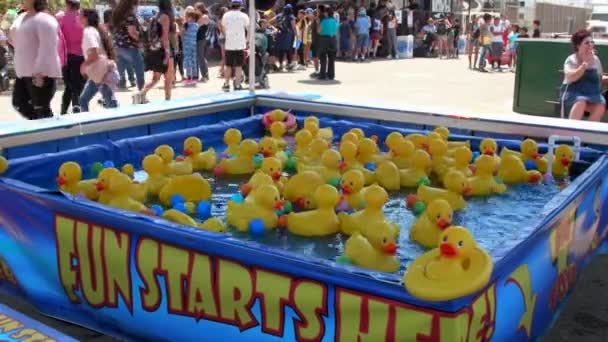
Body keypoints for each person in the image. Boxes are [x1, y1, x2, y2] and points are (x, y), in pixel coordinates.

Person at [10, 0, 62, 120]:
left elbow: (48, 47)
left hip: (40, 74)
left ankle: (49, 130)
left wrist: (40, 71)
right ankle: (42, 125)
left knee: (41, 108)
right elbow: (14, 40)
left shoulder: (45, 19)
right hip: (23, 72)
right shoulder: (21, 17)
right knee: (19, 103)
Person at [560, 30, 606, 122]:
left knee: (601, 104)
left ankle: (589, 131)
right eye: (587, 43)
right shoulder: (571, 59)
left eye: (592, 42)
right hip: (572, 92)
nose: (590, 45)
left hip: (591, 93)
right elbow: (572, 77)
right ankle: (571, 130)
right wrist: (584, 64)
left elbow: (600, 77)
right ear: (578, 46)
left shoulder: (596, 60)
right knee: (581, 102)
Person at [78, 9, 118, 112]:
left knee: (111, 105)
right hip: (99, 73)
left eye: (80, 15)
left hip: (102, 73)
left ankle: (116, 125)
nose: (77, 17)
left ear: (86, 18)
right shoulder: (95, 30)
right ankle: (88, 124)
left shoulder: (89, 31)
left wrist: (84, 65)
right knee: (83, 99)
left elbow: (94, 53)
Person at [138, 0, 175, 103]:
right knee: (168, 77)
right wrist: (168, 54)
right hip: (163, 50)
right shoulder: (165, 17)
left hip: (155, 50)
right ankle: (168, 100)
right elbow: (165, 37)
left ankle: (141, 94)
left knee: (156, 78)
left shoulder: (156, 16)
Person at [56, 0, 84, 114]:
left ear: (68, 5)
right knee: (76, 85)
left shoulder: (60, 18)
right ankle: (74, 106)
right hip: (82, 57)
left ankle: (70, 107)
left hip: (67, 57)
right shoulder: (83, 17)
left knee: (70, 85)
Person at [111, 0, 145, 91]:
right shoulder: (130, 14)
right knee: (139, 68)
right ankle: (142, 93)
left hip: (118, 45)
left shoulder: (118, 13)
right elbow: (132, 32)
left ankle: (122, 82)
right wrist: (143, 40)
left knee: (121, 67)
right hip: (128, 46)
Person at [221, 0, 248, 91]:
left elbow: (223, 27)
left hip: (229, 44)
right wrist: (247, 40)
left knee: (228, 65)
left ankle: (226, 84)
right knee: (238, 66)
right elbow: (248, 28)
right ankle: (237, 84)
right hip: (240, 44)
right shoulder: (244, 16)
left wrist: (227, 35)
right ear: (240, 6)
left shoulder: (226, 15)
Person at [273, 4, 297, 72]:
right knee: (288, 49)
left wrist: (275, 28)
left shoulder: (279, 15)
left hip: (280, 34)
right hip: (288, 35)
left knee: (281, 50)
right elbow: (293, 26)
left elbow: (271, 21)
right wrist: (296, 34)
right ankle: (289, 64)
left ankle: (280, 65)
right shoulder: (291, 16)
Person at [317, 5, 338, 80]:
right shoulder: (335, 21)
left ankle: (322, 75)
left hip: (324, 39)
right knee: (331, 58)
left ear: (326, 13)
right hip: (333, 39)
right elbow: (336, 30)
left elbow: (319, 31)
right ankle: (331, 75)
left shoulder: (324, 21)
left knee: (323, 57)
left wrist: (318, 23)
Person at [182, 10, 199, 85]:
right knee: (194, 60)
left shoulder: (186, 24)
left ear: (189, 17)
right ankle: (195, 76)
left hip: (187, 44)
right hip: (194, 44)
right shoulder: (197, 25)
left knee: (188, 59)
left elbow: (182, 33)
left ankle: (189, 77)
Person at [195, 3, 210, 81]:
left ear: (200, 9)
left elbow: (197, 26)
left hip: (201, 40)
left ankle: (205, 75)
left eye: (196, 9)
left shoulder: (204, 16)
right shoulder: (199, 17)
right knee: (199, 58)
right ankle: (198, 75)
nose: (195, 10)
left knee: (201, 58)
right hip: (197, 39)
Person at [309, 7, 320, 78]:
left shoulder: (317, 21)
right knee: (314, 57)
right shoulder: (314, 21)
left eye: (312, 14)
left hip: (316, 41)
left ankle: (317, 71)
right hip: (314, 40)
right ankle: (317, 70)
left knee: (315, 57)